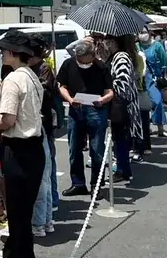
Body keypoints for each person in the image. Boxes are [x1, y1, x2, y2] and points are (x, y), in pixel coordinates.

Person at [0, 31, 44, 258]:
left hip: (18, 149)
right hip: (34, 149)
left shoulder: (11, 80)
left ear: (11, 53)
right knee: (23, 208)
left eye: (3, 51)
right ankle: (13, 252)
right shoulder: (32, 76)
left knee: (17, 211)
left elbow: (8, 119)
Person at [57, 38, 114, 196]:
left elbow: (110, 92)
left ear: (93, 55)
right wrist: (69, 99)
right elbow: (61, 86)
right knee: (74, 148)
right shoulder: (69, 64)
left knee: (97, 149)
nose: (81, 62)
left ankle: (97, 184)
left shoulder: (101, 67)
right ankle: (78, 183)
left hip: (97, 110)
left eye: (85, 60)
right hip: (76, 110)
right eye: (79, 59)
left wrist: (102, 100)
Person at [98, 35, 142, 183]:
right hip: (119, 104)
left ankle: (123, 170)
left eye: (107, 40)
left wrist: (108, 89)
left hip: (122, 104)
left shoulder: (121, 57)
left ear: (114, 42)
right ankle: (124, 169)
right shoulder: (116, 56)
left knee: (121, 138)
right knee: (119, 138)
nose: (104, 43)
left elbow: (122, 84)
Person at [28, 36, 57, 236]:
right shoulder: (30, 70)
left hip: (43, 123)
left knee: (45, 171)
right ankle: (45, 218)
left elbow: (45, 92)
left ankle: (45, 216)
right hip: (39, 122)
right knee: (44, 173)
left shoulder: (44, 68)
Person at [139, 30, 167, 139]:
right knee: (141, 106)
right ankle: (145, 128)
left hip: (153, 78)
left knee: (157, 101)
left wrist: (162, 76)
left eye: (143, 32)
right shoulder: (136, 45)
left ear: (149, 33)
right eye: (139, 32)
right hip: (139, 79)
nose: (142, 34)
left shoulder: (157, 46)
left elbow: (163, 62)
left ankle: (160, 129)